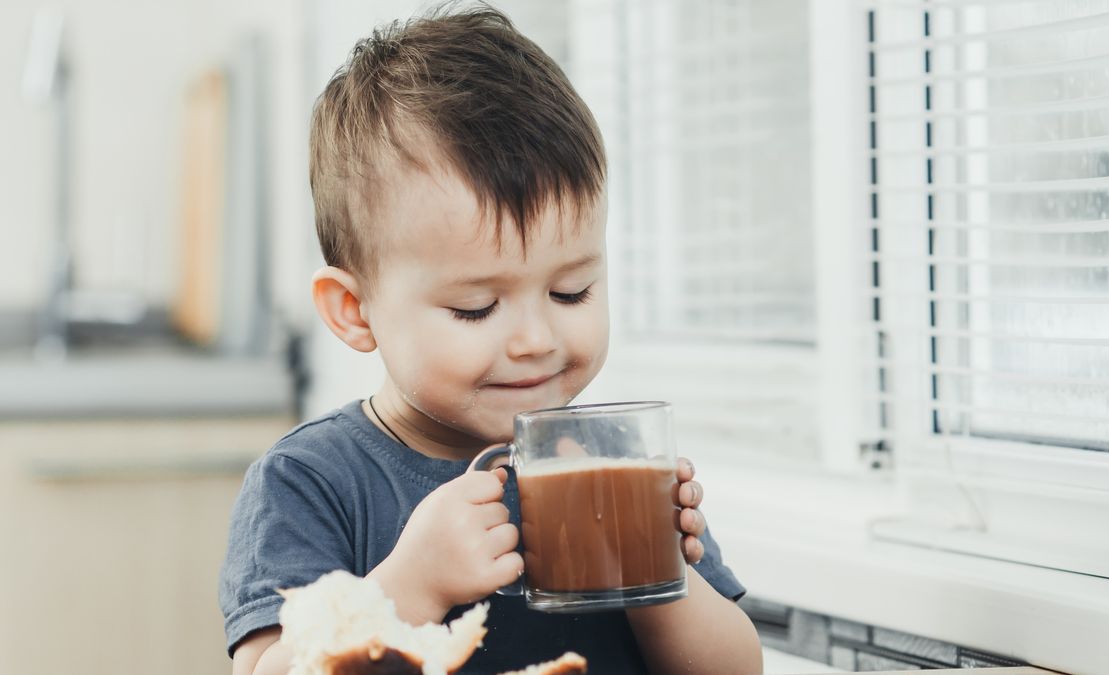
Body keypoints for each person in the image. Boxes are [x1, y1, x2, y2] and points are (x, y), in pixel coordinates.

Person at [219, 4, 763, 674]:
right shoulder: (310, 482)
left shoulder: (602, 462)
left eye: (572, 292)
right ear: (355, 311)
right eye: (476, 308)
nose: (536, 338)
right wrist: (409, 586)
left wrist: (658, 578)